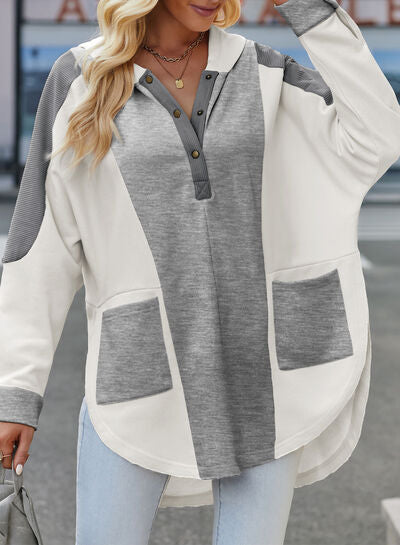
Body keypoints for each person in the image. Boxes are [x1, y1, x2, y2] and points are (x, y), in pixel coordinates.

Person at [0, 0, 399, 543]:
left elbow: (378, 136)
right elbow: (39, 249)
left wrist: (306, 7)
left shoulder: (265, 71)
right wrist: (17, 393)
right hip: (138, 372)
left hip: (265, 377)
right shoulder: (79, 79)